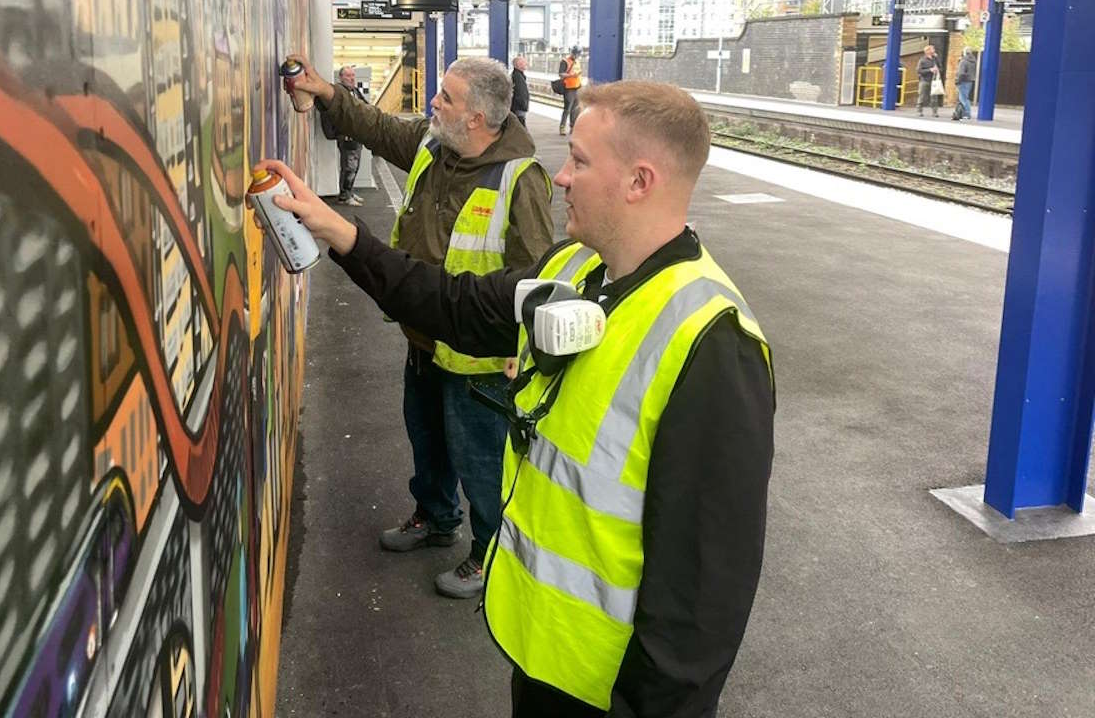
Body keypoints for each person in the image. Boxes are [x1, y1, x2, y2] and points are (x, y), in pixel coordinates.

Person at [261, 79, 775, 718]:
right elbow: (448, 302)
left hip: (606, 691)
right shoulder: (571, 272)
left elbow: (703, 603)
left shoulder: (713, 344)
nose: (561, 177)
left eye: (581, 162)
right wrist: (337, 229)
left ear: (640, 181)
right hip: (541, 658)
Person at [282, 52, 555, 599]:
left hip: (479, 359)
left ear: (476, 118)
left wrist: (524, 350)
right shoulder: (438, 147)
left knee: (480, 461)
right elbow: (379, 130)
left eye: (446, 97)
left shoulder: (518, 180)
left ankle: (489, 554)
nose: (433, 102)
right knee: (426, 439)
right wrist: (328, 92)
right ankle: (435, 518)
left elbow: (538, 275)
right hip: (424, 335)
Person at [319, 65, 369, 205]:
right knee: (349, 166)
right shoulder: (338, 92)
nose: (352, 78)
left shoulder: (354, 91)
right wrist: (337, 133)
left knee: (354, 165)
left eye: (353, 75)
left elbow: (365, 106)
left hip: (356, 134)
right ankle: (345, 196)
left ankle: (349, 192)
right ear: (340, 77)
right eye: (348, 76)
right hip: (346, 135)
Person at [557, 45, 583, 136]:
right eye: (575, 54)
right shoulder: (565, 61)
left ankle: (573, 127)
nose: (576, 56)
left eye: (578, 54)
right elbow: (561, 74)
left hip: (577, 87)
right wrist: (572, 75)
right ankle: (562, 127)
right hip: (569, 88)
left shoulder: (577, 62)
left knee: (575, 109)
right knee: (567, 109)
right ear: (572, 53)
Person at [916, 44, 940, 117]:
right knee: (922, 96)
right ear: (928, 51)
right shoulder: (922, 60)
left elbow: (940, 67)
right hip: (924, 80)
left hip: (934, 81)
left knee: (934, 97)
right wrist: (929, 70)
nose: (934, 50)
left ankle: (935, 112)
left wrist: (937, 69)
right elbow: (918, 70)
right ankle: (919, 111)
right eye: (932, 49)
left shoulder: (935, 59)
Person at [954, 48, 976, 121]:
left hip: (963, 81)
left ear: (964, 53)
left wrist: (957, 81)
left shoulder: (964, 61)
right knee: (965, 98)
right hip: (970, 81)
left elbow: (961, 73)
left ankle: (966, 114)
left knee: (963, 98)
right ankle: (965, 113)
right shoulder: (973, 61)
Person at [510, 55, 531, 127]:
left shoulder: (518, 75)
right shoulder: (518, 77)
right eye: (524, 63)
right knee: (521, 130)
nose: (526, 64)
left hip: (518, 107)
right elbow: (521, 93)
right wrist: (524, 105)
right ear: (519, 65)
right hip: (519, 108)